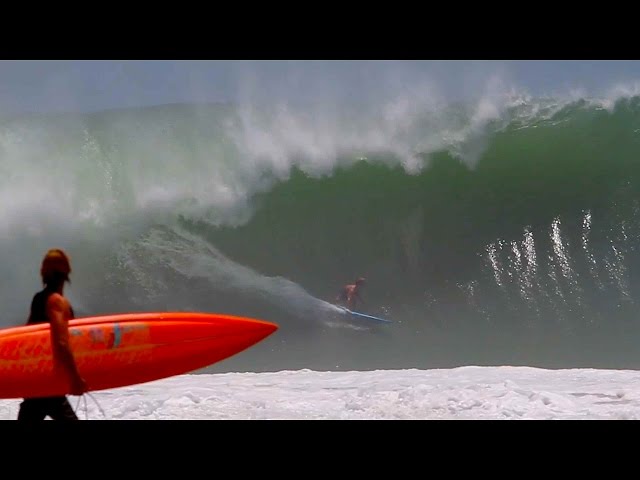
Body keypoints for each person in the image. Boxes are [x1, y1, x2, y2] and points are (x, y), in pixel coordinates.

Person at [17, 248, 88, 421]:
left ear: (44, 273)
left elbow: (26, 338)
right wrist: (75, 377)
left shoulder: (38, 298)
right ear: (66, 273)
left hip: (37, 380)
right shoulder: (57, 302)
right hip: (48, 382)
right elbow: (62, 342)